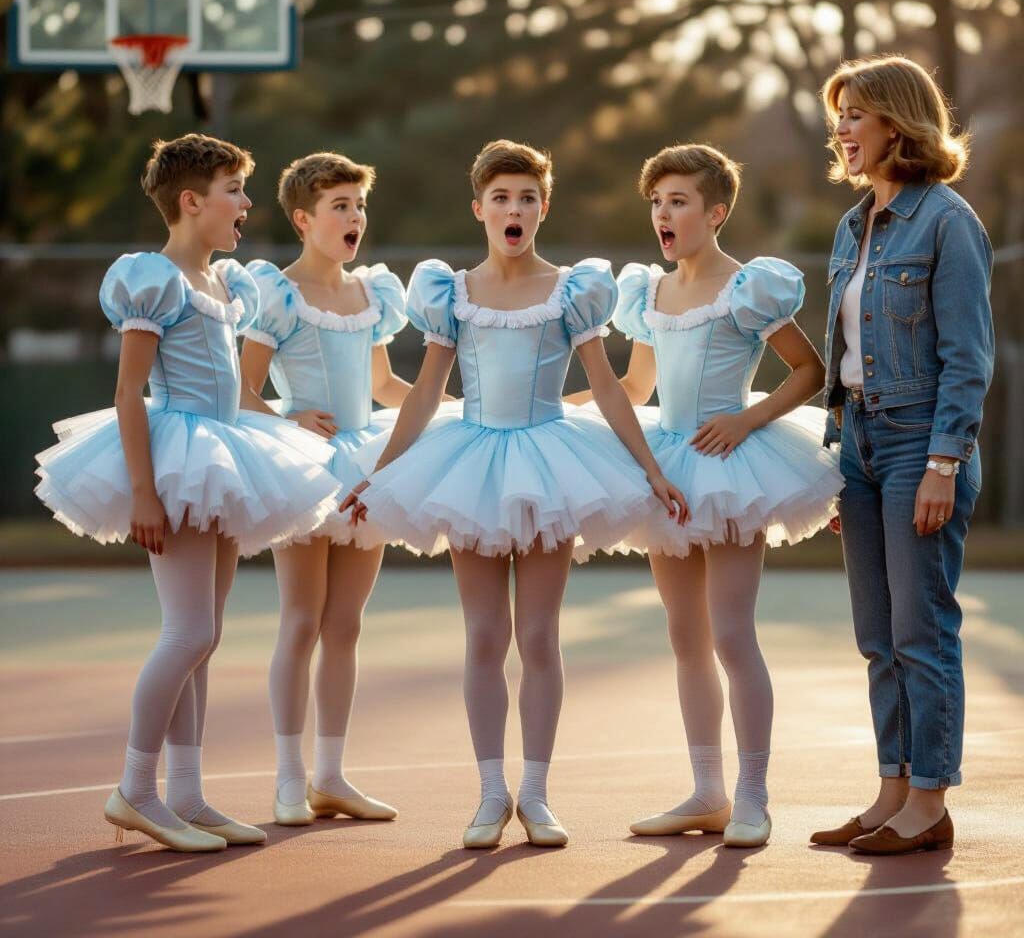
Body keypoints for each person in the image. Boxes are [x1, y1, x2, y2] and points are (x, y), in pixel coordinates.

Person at [343, 140, 687, 849]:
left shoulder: (572, 288)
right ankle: (490, 794)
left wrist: (651, 468)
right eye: (501, 197)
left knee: (536, 637)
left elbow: (609, 389)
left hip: (549, 463)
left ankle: (535, 794)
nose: (514, 208)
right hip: (471, 464)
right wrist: (378, 472)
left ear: (543, 208)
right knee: (483, 636)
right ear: (479, 208)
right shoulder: (451, 291)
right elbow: (428, 392)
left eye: (527, 197)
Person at [35, 134, 342, 852]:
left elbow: (234, 388)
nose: (247, 204)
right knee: (190, 632)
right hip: (177, 463)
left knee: (205, 639)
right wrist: (144, 492)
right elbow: (129, 392)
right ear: (191, 202)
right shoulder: (156, 279)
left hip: (225, 455)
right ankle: (135, 791)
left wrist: (282, 420)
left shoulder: (226, 286)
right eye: (235, 190)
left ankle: (188, 795)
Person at [569, 143, 842, 848]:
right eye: (656, 202)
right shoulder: (647, 294)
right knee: (685, 636)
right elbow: (633, 389)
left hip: (730, 466)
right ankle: (707, 791)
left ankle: (754, 794)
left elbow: (809, 370)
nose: (664, 213)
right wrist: (557, 413)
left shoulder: (750, 287)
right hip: (667, 465)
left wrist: (747, 418)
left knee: (730, 633)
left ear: (715, 212)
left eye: (679, 201)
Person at [810, 55, 994, 855]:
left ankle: (930, 799)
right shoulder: (855, 225)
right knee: (877, 635)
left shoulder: (949, 222)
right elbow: (844, 355)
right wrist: (835, 459)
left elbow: (968, 358)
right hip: (860, 448)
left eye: (856, 114)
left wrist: (943, 463)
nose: (842, 130)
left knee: (922, 630)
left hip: (923, 441)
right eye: (839, 115)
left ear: (897, 122)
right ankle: (891, 788)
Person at [240, 152, 410, 827]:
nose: (354, 218)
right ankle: (288, 779)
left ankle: (332, 777)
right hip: (303, 464)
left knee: (346, 624)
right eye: (340, 207)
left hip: (363, 464)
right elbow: (238, 390)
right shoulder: (275, 293)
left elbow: (384, 387)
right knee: (302, 621)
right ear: (304, 219)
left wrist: (450, 412)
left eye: (359, 206)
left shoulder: (371, 294)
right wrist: (289, 415)